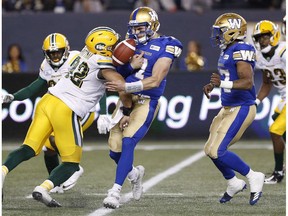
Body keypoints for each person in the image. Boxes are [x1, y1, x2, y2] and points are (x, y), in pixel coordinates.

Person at [1, 26, 132, 207]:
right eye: (114, 44)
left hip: (47, 101)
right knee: (71, 164)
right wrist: (133, 70)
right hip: (65, 108)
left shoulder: (82, 56)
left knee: (29, 148)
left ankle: (2, 171)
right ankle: (43, 187)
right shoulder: (102, 63)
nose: (117, 47)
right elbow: (117, 81)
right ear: (105, 47)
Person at [102, 6, 183, 209]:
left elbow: (155, 80)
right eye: (134, 28)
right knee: (114, 150)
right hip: (126, 99)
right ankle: (135, 174)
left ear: (153, 26)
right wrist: (130, 69)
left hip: (147, 100)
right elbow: (117, 74)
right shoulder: (128, 46)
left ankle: (115, 192)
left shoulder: (168, 44)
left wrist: (126, 86)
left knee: (128, 141)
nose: (136, 32)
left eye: (141, 28)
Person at [202, 13, 265, 205]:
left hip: (242, 106)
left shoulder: (242, 49)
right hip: (228, 106)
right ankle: (233, 182)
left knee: (218, 151)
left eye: (220, 31)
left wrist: (222, 84)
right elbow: (229, 77)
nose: (217, 35)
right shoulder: (228, 49)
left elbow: (246, 82)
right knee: (209, 149)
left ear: (232, 32)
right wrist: (215, 85)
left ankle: (253, 175)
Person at [252, 20, 286, 184]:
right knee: (275, 117)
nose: (262, 41)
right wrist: (257, 101)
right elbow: (267, 83)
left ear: (273, 36)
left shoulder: (283, 51)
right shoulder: (260, 57)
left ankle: (278, 173)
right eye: (259, 38)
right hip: (284, 96)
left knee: (275, 130)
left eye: (265, 37)